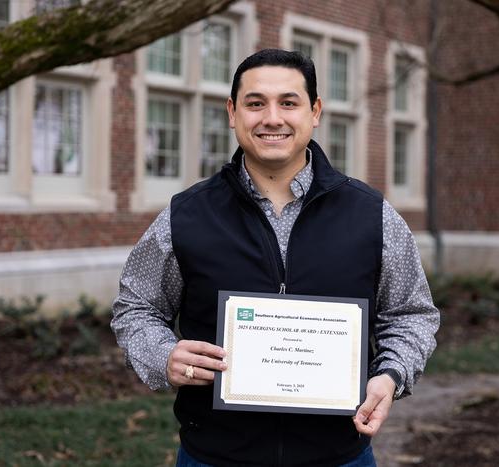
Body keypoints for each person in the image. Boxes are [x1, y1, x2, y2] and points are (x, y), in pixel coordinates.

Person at [111, 48, 439, 466]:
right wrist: (162, 355)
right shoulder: (187, 215)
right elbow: (135, 307)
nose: (272, 118)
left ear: (314, 111)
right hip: (215, 456)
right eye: (255, 103)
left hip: (338, 456)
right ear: (232, 112)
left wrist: (390, 375)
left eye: (288, 102)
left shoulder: (372, 215)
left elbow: (411, 313)